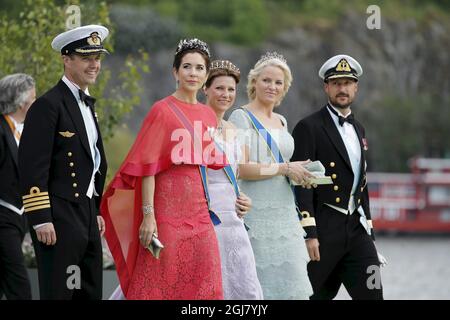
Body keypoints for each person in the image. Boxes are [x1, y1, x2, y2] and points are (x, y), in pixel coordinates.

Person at [101, 38, 226, 300]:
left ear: (206, 74)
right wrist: (149, 216)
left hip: (200, 212)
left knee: (206, 283)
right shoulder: (162, 110)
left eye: (200, 68)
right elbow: (148, 168)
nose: (193, 73)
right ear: (175, 72)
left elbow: (213, 163)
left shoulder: (207, 114)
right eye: (187, 67)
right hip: (166, 212)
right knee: (162, 284)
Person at [18, 25, 109, 300]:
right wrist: (41, 218)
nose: (94, 65)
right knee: (62, 293)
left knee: (88, 291)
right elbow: (33, 166)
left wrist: (96, 209)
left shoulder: (87, 105)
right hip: (59, 216)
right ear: (66, 59)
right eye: (86, 58)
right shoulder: (48, 105)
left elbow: (93, 163)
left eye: (98, 58)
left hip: (87, 213)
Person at [291, 54, 384, 300]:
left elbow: (360, 184)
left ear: (356, 87)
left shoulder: (359, 128)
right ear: (326, 87)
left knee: (374, 296)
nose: (342, 89)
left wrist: (370, 232)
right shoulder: (308, 127)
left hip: (357, 230)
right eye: (336, 83)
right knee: (313, 297)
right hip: (323, 230)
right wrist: (309, 233)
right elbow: (301, 183)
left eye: (347, 83)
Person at [228, 52, 314, 299]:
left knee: (292, 286)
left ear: (284, 87)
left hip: (286, 214)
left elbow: (279, 167)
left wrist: (298, 173)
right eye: (266, 80)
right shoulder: (240, 117)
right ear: (254, 82)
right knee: (260, 287)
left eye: (278, 82)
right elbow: (242, 168)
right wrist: (285, 168)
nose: (272, 87)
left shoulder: (282, 121)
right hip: (256, 215)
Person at [203, 59, 263, 299]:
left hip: (234, 219)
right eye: (219, 88)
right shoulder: (194, 125)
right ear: (205, 88)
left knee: (243, 287)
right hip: (206, 217)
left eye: (230, 89)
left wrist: (244, 198)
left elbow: (236, 177)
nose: (225, 94)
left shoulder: (235, 132)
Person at [0, 73, 35, 300]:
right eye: (33, 98)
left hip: (16, 220)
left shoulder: (20, 131)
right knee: (19, 288)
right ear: (22, 103)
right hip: (3, 220)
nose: (36, 103)